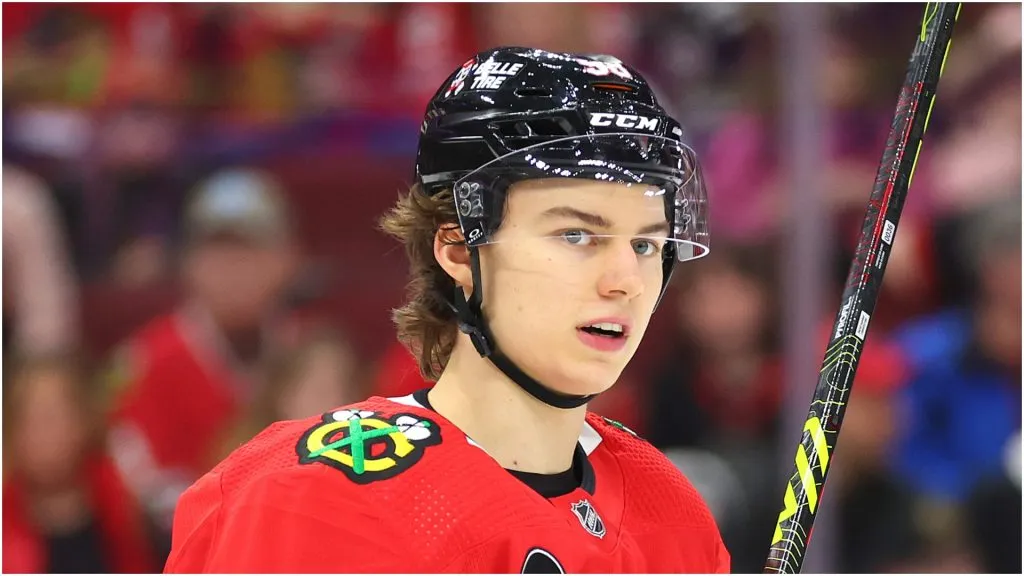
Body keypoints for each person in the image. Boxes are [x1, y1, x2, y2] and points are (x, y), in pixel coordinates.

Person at [165, 47, 729, 573]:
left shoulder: (668, 507)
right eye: (577, 234)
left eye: (647, 244)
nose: (626, 281)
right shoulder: (318, 502)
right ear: (458, 247)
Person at [103, 168, 299, 557]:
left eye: (251, 249)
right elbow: (133, 494)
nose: (234, 269)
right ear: (189, 263)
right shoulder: (144, 362)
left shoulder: (309, 355)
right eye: (218, 251)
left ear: (288, 259)